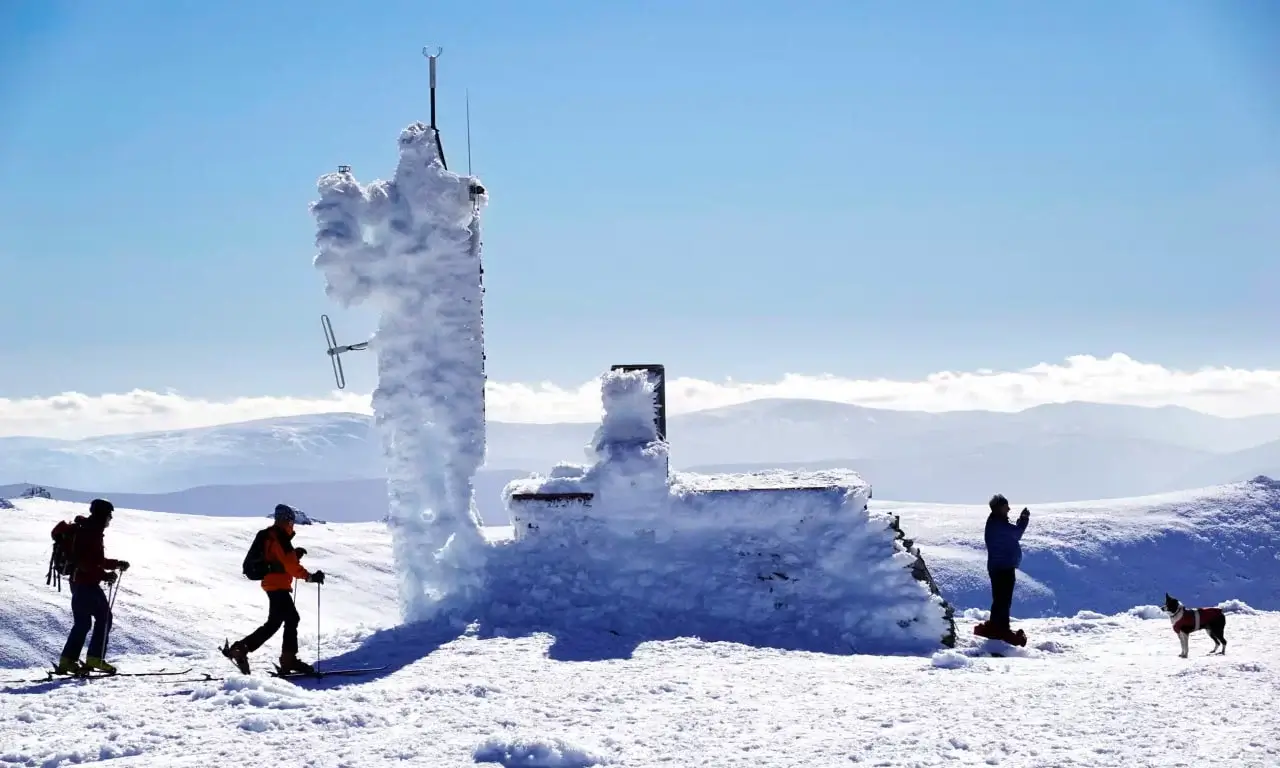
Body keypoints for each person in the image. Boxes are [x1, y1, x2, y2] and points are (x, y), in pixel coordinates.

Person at [222, 504, 325, 675]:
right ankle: (288, 660)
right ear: (288, 521)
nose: (292, 525)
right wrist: (310, 577)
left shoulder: (271, 535)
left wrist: (294, 554)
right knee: (292, 618)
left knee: (274, 623)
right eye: (291, 521)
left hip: (272, 583)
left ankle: (241, 649)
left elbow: (278, 559)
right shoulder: (280, 538)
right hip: (277, 585)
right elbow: (290, 565)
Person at [57, 498, 130, 675]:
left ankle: (67, 661)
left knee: (82, 623)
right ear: (102, 515)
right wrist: (106, 574)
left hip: (78, 583)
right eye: (109, 515)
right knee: (104, 618)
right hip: (86, 584)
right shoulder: (91, 533)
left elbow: (94, 561)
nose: (110, 519)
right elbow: (88, 564)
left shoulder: (86, 530)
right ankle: (95, 658)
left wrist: (115, 564)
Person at [982, 493, 1029, 636]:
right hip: (1003, 568)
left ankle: (997, 626)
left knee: (1000, 599)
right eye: (1006, 506)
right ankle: (1001, 629)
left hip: (998, 567)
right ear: (1000, 508)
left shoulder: (995, 523)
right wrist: (1024, 519)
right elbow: (1017, 533)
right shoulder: (998, 524)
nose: (1009, 509)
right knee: (1003, 599)